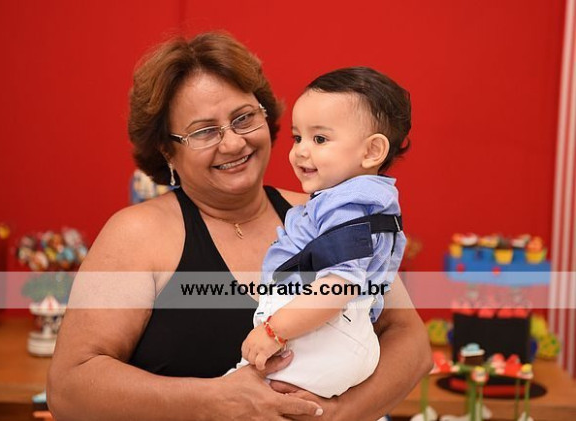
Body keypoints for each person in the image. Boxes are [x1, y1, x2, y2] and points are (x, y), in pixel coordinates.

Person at [47, 32, 432, 421]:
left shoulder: (322, 213)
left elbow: (412, 343)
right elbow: (69, 389)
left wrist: (334, 414)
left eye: (243, 118)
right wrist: (214, 401)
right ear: (167, 151)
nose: (232, 144)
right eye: (203, 131)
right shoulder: (136, 235)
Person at [238, 67, 410, 399]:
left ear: (372, 152)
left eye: (319, 139)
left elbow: (340, 285)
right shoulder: (360, 203)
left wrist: (274, 331)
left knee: (245, 398)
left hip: (327, 334)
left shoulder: (345, 207)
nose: (301, 151)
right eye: (297, 138)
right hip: (337, 335)